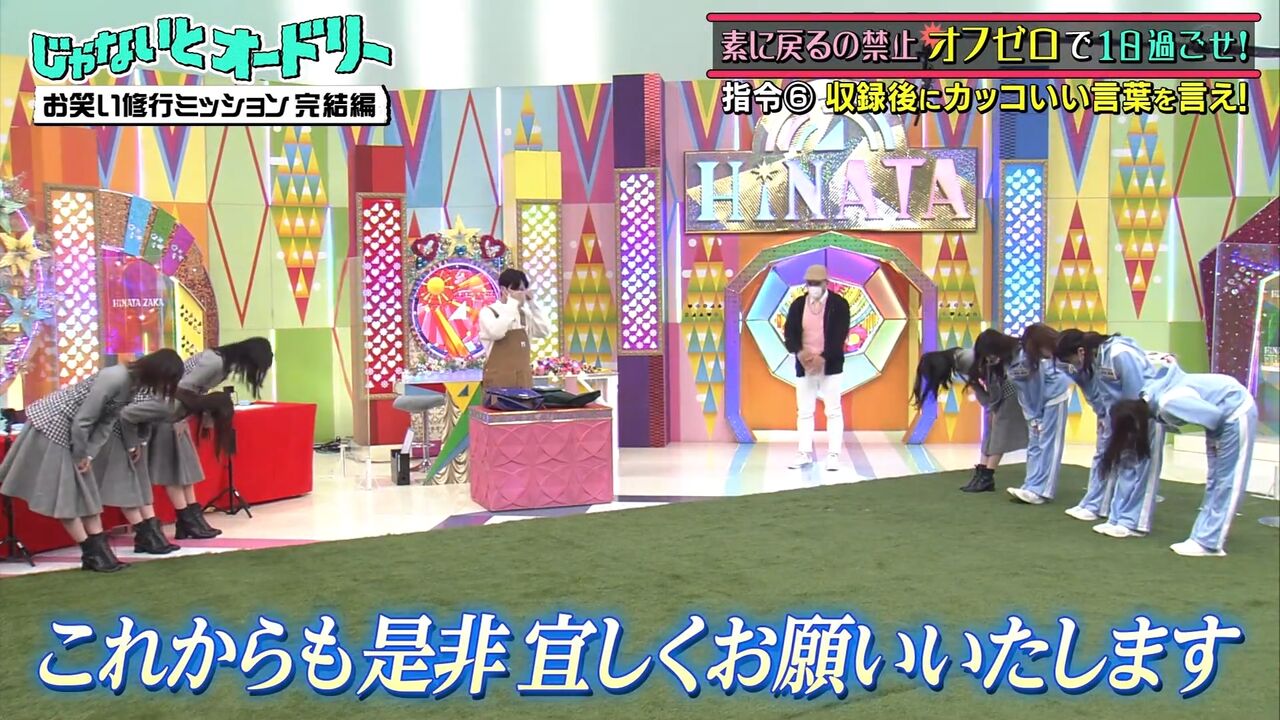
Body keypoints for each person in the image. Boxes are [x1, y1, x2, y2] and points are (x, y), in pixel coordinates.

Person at [0, 349, 184, 572]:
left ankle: (97, 553)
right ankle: (93, 553)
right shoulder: (116, 377)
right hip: (53, 426)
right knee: (68, 494)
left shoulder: (132, 384)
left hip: (73, 431)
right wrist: (82, 454)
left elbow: (107, 421)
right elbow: (84, 419)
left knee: (86, 494)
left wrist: (88, 454)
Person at [1101, 373, 1257, 557]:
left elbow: (1214, 416)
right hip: (1222, 415)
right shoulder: (1149, 396)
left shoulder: (1168, 404)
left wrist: (1220, 443)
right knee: (1214, 480)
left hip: (1235, 412)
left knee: (1227, 481)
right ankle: (1204, 535)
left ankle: (1209, 543)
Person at [1054, 330, 1183, 537]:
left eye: (1072, 361)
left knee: (1142, 469)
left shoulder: (1120, 354)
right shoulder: (1099, 358)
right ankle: (1117, 517)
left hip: (1144, 415)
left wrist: (1132, 426)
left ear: (1080, 352)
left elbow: (1137, 394)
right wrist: (1108, 420)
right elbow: (1107, 397)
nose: (1075, 367)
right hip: (1123, 418)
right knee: (1124, 464)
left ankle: (1134, 523)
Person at [150, 337, 274, 539]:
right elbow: (179, 390)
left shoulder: (221, 365)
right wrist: (178, 418)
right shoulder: (214, 362)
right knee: (172, 472)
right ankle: (187, 520)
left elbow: (195, 393)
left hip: (177, 416)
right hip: (165, 416)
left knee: (186, 471)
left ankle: (191, 519)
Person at [911, 346, 1027, 493]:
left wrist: (993, 406)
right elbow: (978, 386)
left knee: (999, 431)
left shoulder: (967, 359)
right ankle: (983, 471)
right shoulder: (960, 362)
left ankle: (987, 476)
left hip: (1009, 391)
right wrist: (990, 405)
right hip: (999, 393)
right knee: (990, 431)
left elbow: (995, 380)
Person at [93, 386, 183, 555]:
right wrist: (132, 444)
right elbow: (127, 416)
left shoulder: (155, 395)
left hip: (129, 432)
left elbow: (142, 420)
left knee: (140, 482)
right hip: (112, 434)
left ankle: (151, 532)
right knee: (125, 485)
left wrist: (139, 442)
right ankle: (145, 534)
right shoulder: (148, 395)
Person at [992, 324, 1072, 505]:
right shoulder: (1022, 359)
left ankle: (1042, 491)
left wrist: (1038, 416)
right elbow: (1026, 392)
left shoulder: (1048, 362)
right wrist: (1033, 417)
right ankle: (1030, 485)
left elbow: (1039, 389)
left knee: (1050, 444)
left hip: (1055, 399)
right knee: (1034, 444)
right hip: (1035, 406)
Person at [782, 264, 852, 471]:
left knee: (833, 410)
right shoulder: (798, 305)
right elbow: (790, 333)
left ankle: (833, 455)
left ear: (825, 283)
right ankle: (804, 453)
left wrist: (823, 358)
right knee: (804, 411)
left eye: (816, 283)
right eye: (809, 283)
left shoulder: (839, 304)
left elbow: (840, 335)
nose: (812, 287)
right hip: (804, 365)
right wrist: (800, 353)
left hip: (831, 365)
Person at [479, 268, 551, 389]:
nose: (521, 293)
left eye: (523, 289)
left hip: (524, 380)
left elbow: (544, 331)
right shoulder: (489, 312)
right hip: (498, 380)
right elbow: (496, 333)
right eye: (517, 289)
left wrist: (532, 304)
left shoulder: (524, 313)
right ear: (503, 289)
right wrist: (511, 304)